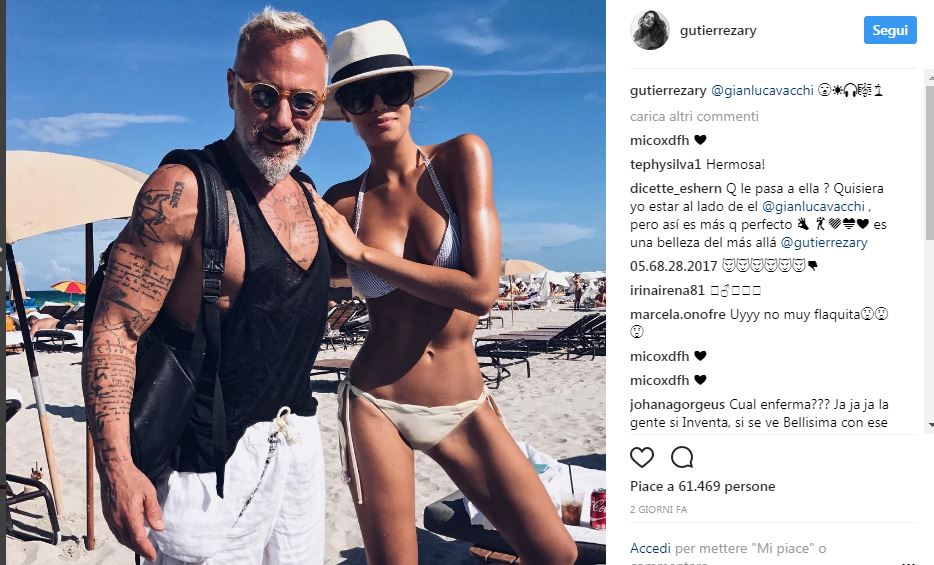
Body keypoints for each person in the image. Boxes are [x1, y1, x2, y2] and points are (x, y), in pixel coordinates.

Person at [312, 20, 578, 565]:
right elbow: (299, 284)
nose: (378, 105)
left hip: (464, 404)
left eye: (392, 89)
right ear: (346, 111)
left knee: (556, 553)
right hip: (376, 402)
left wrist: (364, 254)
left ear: (412, 94)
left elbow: (480, 291)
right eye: (360, 96)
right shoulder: (341, 203)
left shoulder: (459, 158)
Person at [81, 8, 331, 564]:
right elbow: (115, 329)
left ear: (322, 103)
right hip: (205, 473)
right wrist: (116, 468)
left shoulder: (308, 193)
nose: (283, 119)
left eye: (303, 101)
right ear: (231, 87)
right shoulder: (184, 190)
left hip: (297, 446)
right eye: (264, 95)